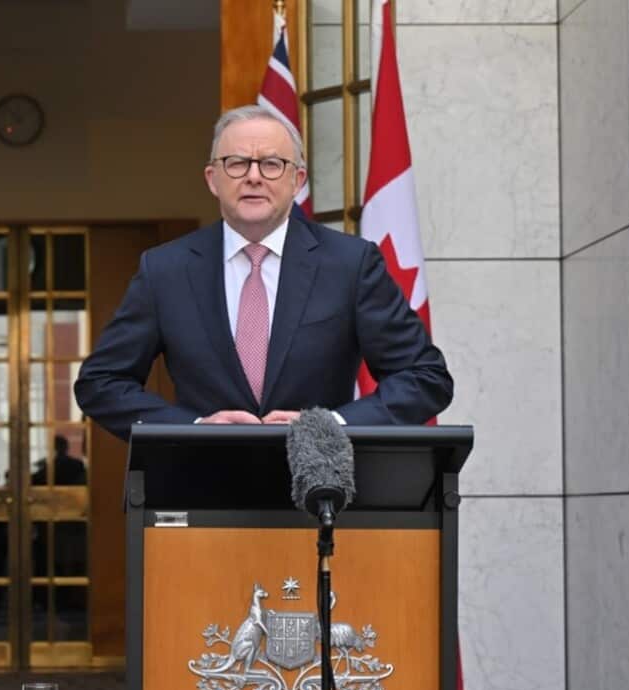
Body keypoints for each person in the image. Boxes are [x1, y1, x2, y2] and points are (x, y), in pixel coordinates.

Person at [74, 105, 451, 440]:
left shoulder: (349, 264)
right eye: (237, 163)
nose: (254, 177)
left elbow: (425, 378)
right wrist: (191, 431)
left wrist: (331, 425)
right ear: (211, 179)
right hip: (201, 492)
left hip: (320, 494)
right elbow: (100, 384)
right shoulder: (165, 270)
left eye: (272, 164)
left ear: (297, 181)